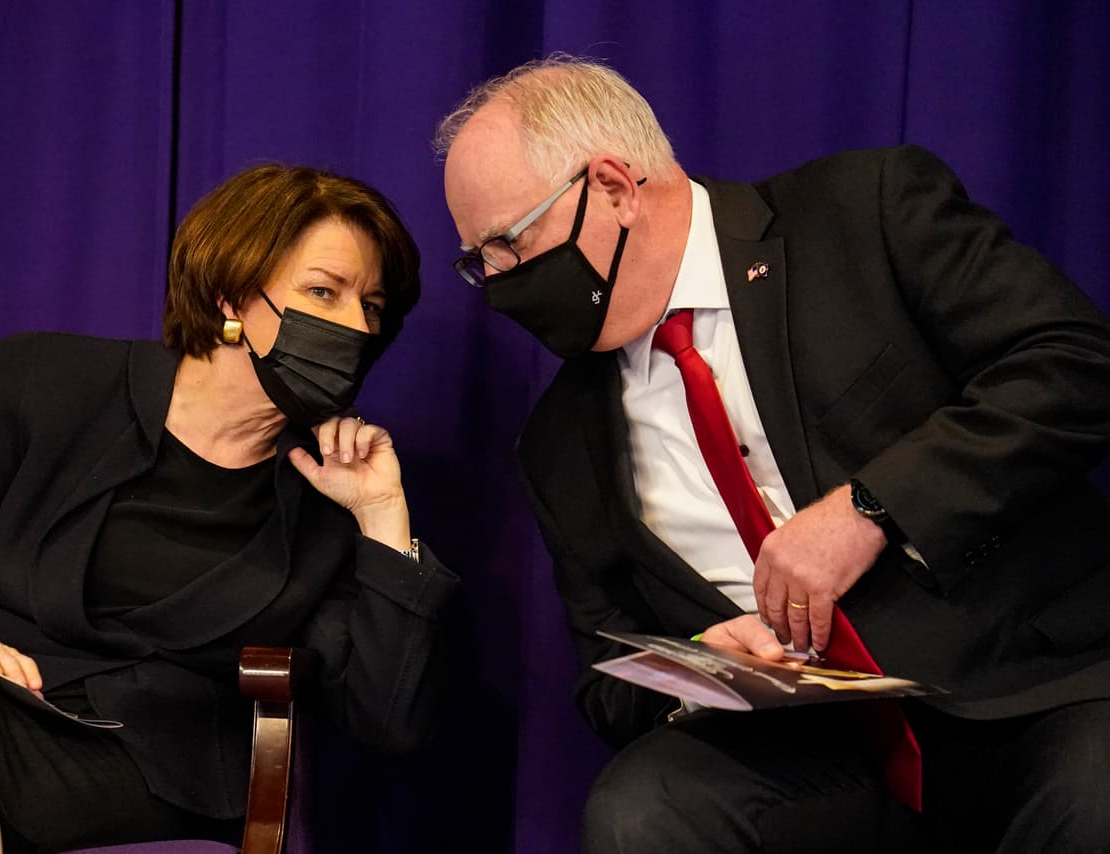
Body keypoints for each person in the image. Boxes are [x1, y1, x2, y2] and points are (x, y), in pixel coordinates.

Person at [436, 55, 1110, 852]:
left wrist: (872, 509)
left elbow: (1072, 363)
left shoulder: (865, 213)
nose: (501, 281)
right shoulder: (557, 443)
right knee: (642, 810)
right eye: (481, 264)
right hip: (810, 755)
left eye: (510, 244)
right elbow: (601, 678)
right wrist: (693, 667)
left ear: (613, 189)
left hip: (1031, 688)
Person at [0, 163, 458, 852]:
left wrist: (382, 518)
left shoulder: (327, 492)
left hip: (142, 762)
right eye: (323, 292)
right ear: (229, 298)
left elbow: (388, 719)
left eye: (370, 305)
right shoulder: (41, 379)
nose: (354, 325)